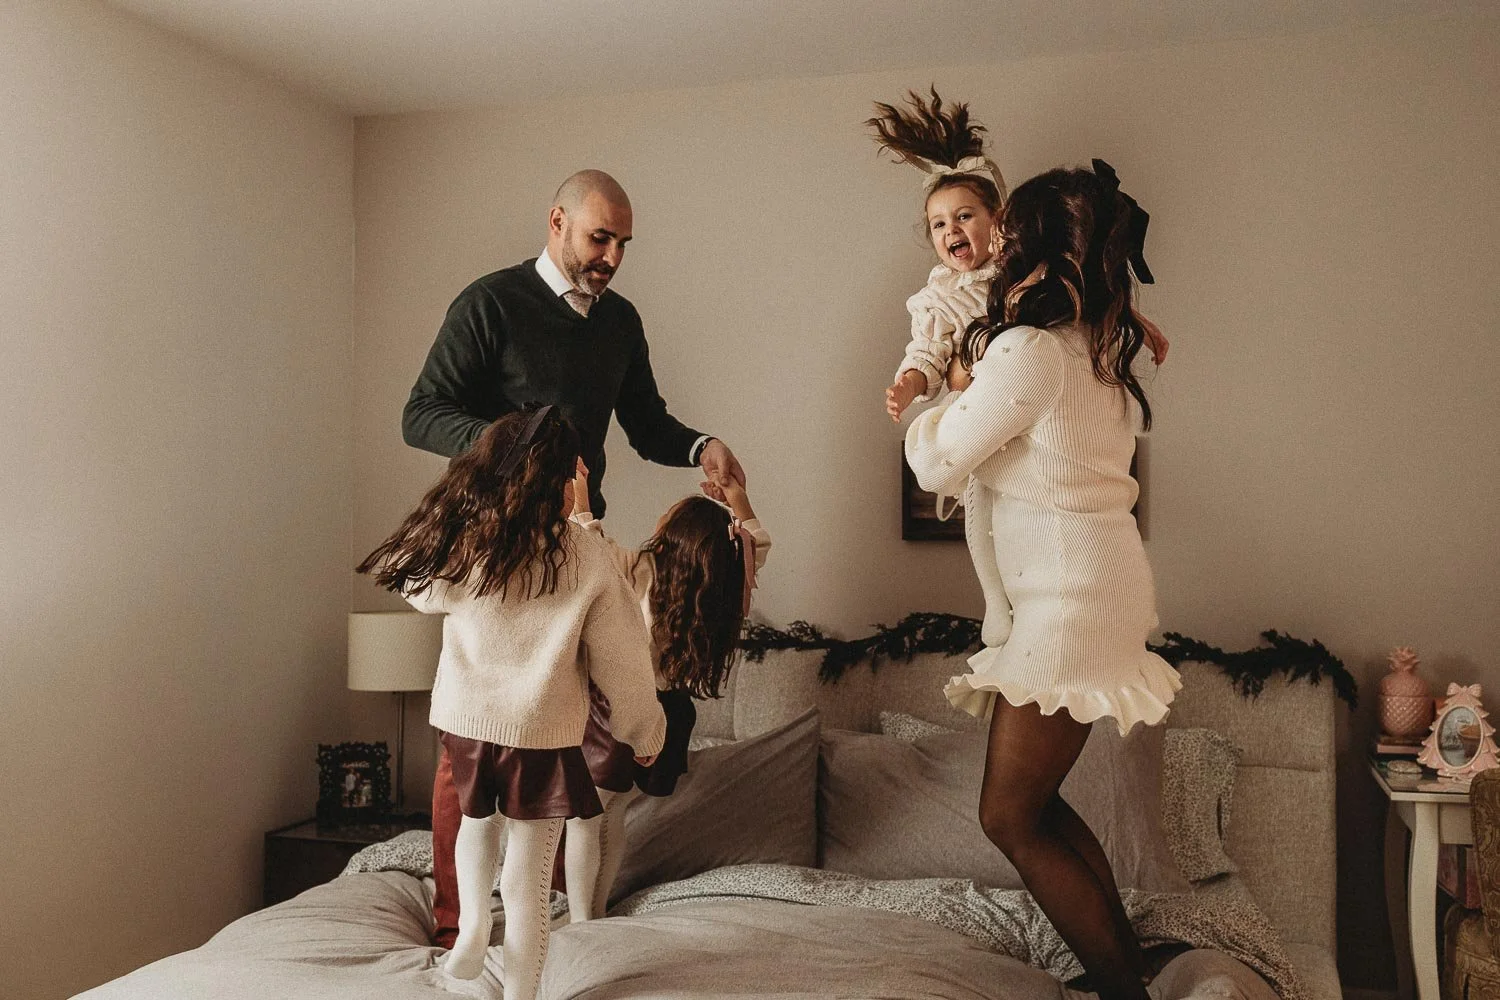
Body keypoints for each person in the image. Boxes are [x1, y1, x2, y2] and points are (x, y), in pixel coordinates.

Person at [403, 169, 746, 947]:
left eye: (624, 243)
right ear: (558, 221)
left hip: (578, 549)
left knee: (557, 737)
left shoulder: (619, 322)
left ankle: (547, 917)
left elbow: (646, 421)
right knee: (477, 737)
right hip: (492, 552)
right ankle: (460, 925)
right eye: (601, 237)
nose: (614, 256)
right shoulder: (490, 304)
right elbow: (420, 414)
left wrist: (703, 444)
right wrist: (521, 453)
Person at [903, 160, 1182, 1000]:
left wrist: (928, 407)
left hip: (1069, 598)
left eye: (1011, 237)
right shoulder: (1096, 344)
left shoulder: (1029, 352)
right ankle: (1124, 966)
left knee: (1008, 814)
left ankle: (1121, 988)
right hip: (1099, 584)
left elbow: (938, 462)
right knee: (1037, 802)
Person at [358, 407, 665, 997]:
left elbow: (412, 581)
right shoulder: (586, 557)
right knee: (527, 874)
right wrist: (644, 734)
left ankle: (473, 925)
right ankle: (522, 992)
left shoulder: (474, 541)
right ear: (569, 473)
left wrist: (459, 508)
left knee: (476, 824)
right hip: (541, 734)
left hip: (466, 724)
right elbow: (625, 667)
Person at [870, 89, 1168, 424]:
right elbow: (927, 353)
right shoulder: (939, 298)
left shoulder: (1019, 269)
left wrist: (1134, 322)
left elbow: (1079, 291)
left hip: (1029, 397)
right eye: (938, 224)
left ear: (997, 219)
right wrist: (908, 386)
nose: (951, 229)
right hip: (976, 408)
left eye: (964, 216)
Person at [563, 468, 770, 922]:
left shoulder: (640, 568)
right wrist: (738, 500)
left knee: (584, 820)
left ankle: (582, 922)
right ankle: (595, 911)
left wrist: (580, 497)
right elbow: (756, 547)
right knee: (613, 814)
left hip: (617, 709)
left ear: (672, 534)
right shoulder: (717, 583)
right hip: (669, 710)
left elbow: (586, 546)